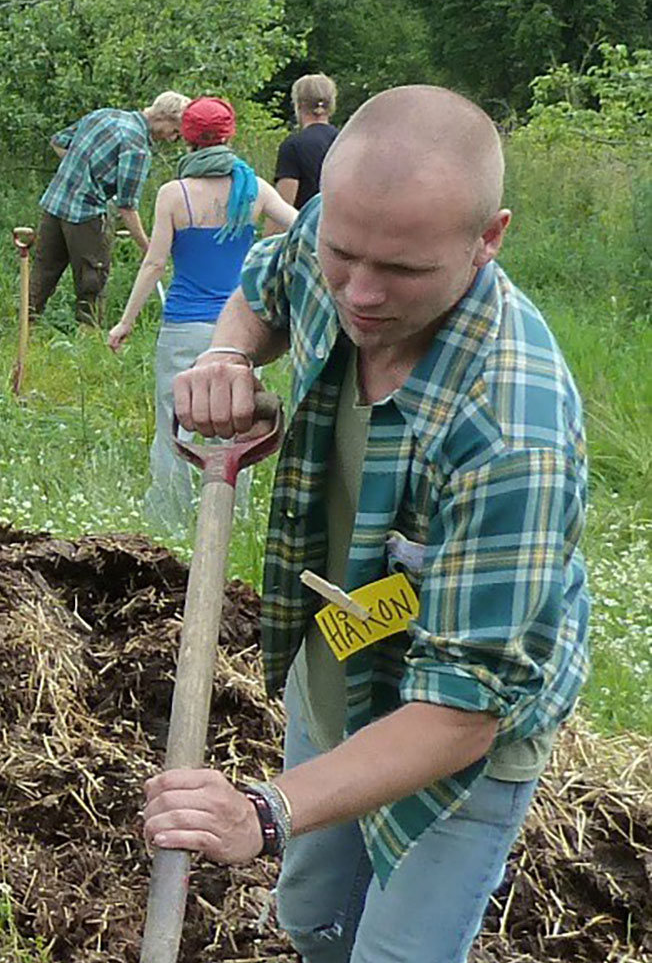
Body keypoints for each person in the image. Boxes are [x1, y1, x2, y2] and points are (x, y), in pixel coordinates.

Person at [144, 86, 589, 963]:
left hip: (459, 742)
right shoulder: (332, 237)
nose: (361, 292)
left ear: (489, 238)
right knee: (314, 921)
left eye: (403, 271)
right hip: (340, 658)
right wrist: (228, 354)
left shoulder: (512, 432)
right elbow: (265, 287)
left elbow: (462, 710)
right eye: (343, 255)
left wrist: (265, 809)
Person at [106, 96, 297, 530]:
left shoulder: (174, 194)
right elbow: (304, 228)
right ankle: (234, 515)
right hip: (240, 332)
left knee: (173, 422)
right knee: (238, 420)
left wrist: (125, 321)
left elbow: (155, 263)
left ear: (187, 138)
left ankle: (169, 516)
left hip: (183, 326)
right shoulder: (253, 189)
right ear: (229, 136)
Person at [29, 91, 186, 328]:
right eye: (174, 131)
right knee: (91, 285)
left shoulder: (104, 115)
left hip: (54, 204)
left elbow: (59, 142)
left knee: (41, 277)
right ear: (162, 117)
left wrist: (80, 172)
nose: (173, 138)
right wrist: (148, 247)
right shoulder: (137, 148)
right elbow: (127, 207)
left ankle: (23, 331)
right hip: (86, 216)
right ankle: (89, 340)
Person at [276, 74, 341, 210]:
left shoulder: (293, 146)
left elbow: (283, 206)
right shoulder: (345, 141)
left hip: (308, 222)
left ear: (298, 105)